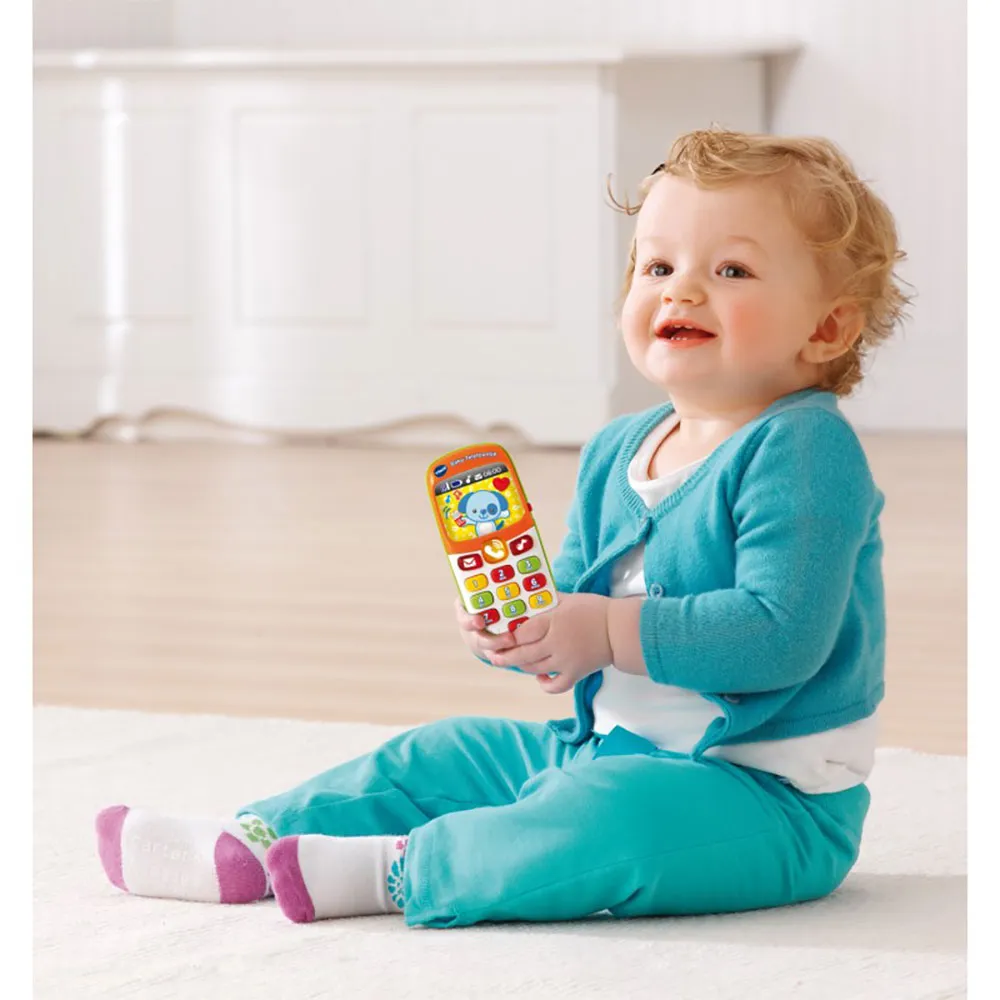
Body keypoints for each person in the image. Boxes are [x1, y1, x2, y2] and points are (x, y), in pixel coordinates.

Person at [95, 127, 908, 928]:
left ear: (827, 329)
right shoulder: (618, 448)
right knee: (440, 753)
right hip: (599, 751)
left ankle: (403, 868)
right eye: (658, 266)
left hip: (768, 801)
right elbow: (573, 605)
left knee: (612, 819)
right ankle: (251, 840)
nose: (681, 292)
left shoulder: (803, 447)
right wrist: (526, 628)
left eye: (731, 270)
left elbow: (780, 636)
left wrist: (607, 630)